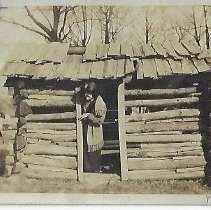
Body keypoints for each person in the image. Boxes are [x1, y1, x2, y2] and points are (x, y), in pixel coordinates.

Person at [78, 81, 107, 173]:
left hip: (94, 129)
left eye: (89, 94)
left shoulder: (99, 102)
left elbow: (100, 121)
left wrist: (89, 115)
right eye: (86, 93)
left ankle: (96, 169)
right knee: (85, 148)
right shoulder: (84, 101)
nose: (87, 95)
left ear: (94, 94)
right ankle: (87, 168)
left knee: (94, 151)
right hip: (85, 128)